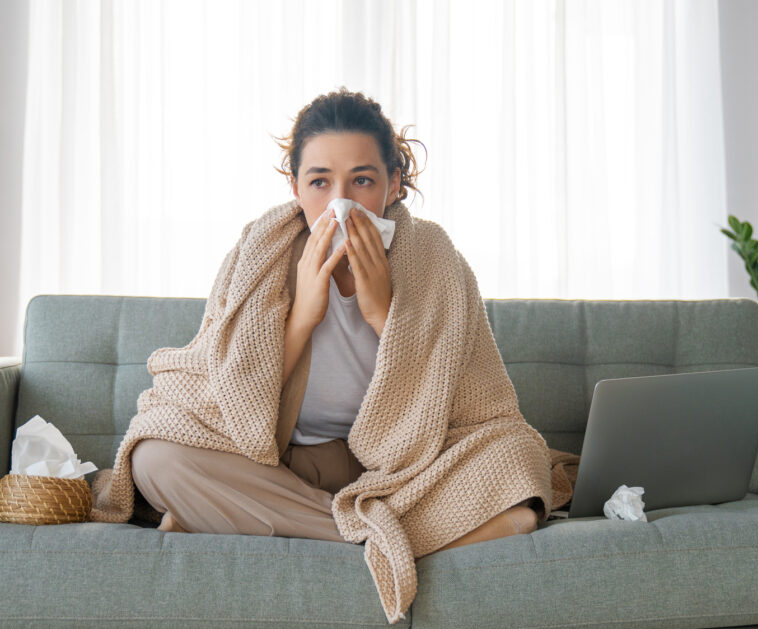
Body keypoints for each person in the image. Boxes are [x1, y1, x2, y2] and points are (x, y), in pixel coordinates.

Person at [129, 88, 541, 553]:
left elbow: (474, 405)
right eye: (320, 182)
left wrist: (383, 314)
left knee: (518, 456)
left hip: (403, 468)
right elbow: (230, 400)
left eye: (361, 180)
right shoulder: (259, 252)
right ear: (295, 187)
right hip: (285, 465)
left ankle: (239, 518)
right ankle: (388, 537)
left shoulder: (435, 258)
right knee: (155, 459)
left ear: (393, 184)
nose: (340, 202)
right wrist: (302, 318)